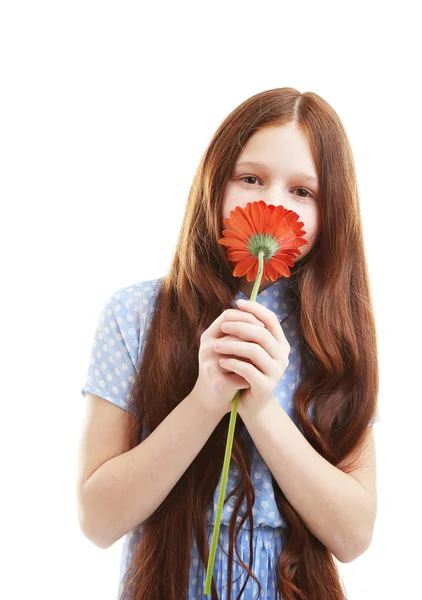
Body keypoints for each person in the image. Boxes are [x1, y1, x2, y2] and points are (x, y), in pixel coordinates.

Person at [76, 87, 380, 600]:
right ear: (214, 182)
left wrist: (261, 407)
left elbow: (352, 536)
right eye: (251, 178)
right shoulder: (136, 316)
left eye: (303, 192)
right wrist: (205, 400)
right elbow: (98, 521)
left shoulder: (334, 337)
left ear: (332, 214)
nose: (271, 203)